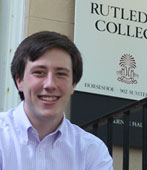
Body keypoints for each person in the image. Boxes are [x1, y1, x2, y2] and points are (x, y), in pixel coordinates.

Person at [0, 31, 113, 170]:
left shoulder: (93, 152)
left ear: (73, 84)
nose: (50, 85)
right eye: (39, 72)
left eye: (60, 74)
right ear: (19, 81)